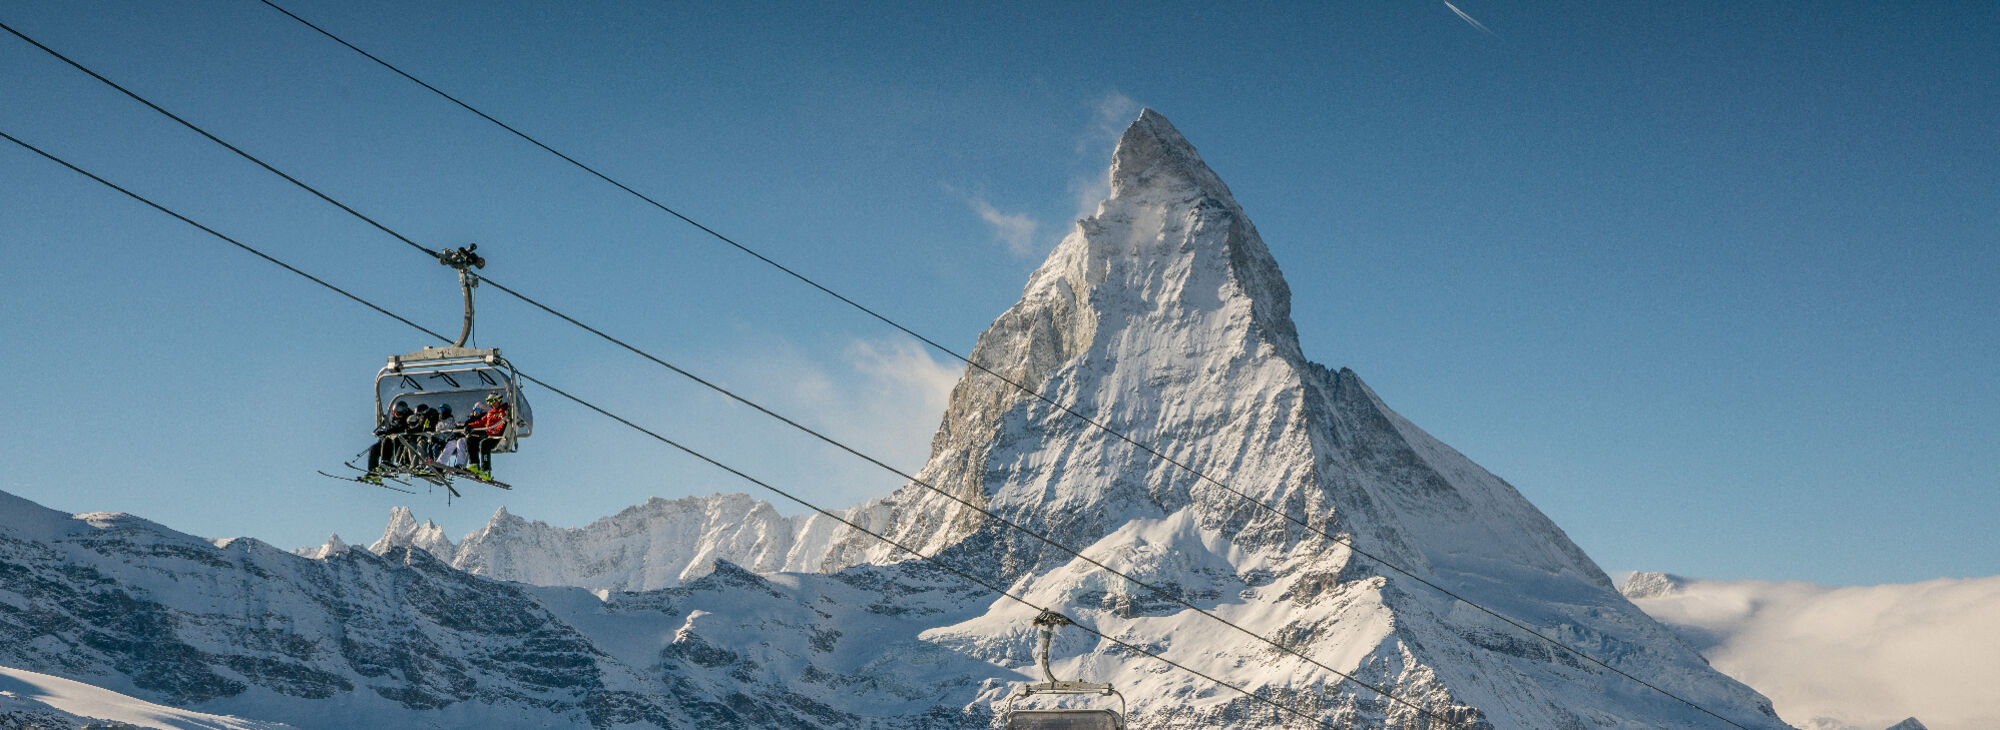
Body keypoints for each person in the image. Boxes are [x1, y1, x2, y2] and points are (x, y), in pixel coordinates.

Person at [463, 393, 510, 478]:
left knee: (484, 444)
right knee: (470, 439)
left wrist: (493, 431)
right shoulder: (490, 413)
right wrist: (470, 426)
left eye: (492, 401)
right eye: (489, 402)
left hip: (497, 437)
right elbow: (481, 422)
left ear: (498, 400)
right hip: (489, 435)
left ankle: (486, 470)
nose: (491, 404)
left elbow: (502, 425)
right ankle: (474, 465)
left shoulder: (503, 412)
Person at [365, 402, 416, 477]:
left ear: (404, 413)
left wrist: (387, 433)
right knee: (374, 448)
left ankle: (387, 462)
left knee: (388, 439)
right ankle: (373, 471)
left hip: (401, 442)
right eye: (394, 413)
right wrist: (382, 436)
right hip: (389, 442)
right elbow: (390, 429)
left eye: (398, 414)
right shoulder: (393, 419)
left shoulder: (409, 418)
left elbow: (400, 429)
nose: (396, 415)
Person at [432, 403, 470, 469]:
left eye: (441, 410)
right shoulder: (439, 421)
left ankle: (458, 464)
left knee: (454, 443)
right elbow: (438, 432)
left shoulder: (451, 420)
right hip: (443, 441)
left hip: (452, 440)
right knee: (432, 447)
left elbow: (455, 429)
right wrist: (437, 439)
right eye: (439, 410)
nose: (440, 412)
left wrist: (452, 437)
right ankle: (430, 464)